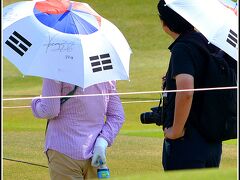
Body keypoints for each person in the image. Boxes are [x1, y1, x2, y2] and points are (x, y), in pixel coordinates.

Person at [157, 0, 222, 170]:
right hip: (211, 141)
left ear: (166, 24)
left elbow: (186, 92)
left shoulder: (183, 48)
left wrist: (176, 130)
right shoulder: (207, 42)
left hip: (187, 143)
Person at [31, 78, 125, 179]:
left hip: (63, 151)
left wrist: (35, 103)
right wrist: (101, 143)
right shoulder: (105, 73)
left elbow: (49, 110)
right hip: (96, 154)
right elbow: (117, 116)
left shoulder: (55, 67)